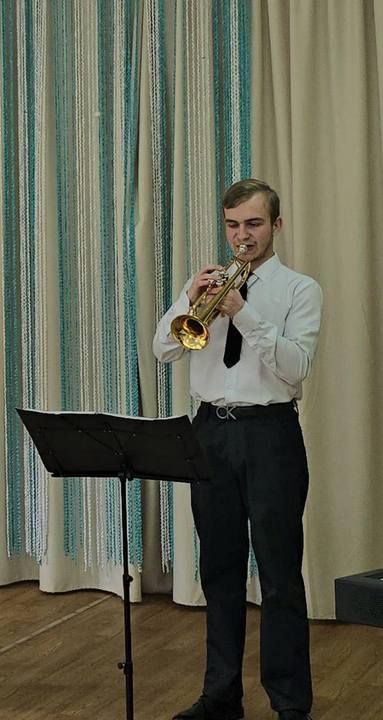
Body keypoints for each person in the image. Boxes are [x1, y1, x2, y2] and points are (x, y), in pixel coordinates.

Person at [153, 179, 322, 720]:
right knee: (219, 570)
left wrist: (242, 312)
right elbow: (163, 349)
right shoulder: (203, 282)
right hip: (210, 432)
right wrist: (190, 299)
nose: (241, 236)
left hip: (270, 433)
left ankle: (290, 702)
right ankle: (221, 694)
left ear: (276, 225)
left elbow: (295, 367)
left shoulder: (299, 289)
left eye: (253, 224)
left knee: (278, 573)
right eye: (232, 225)